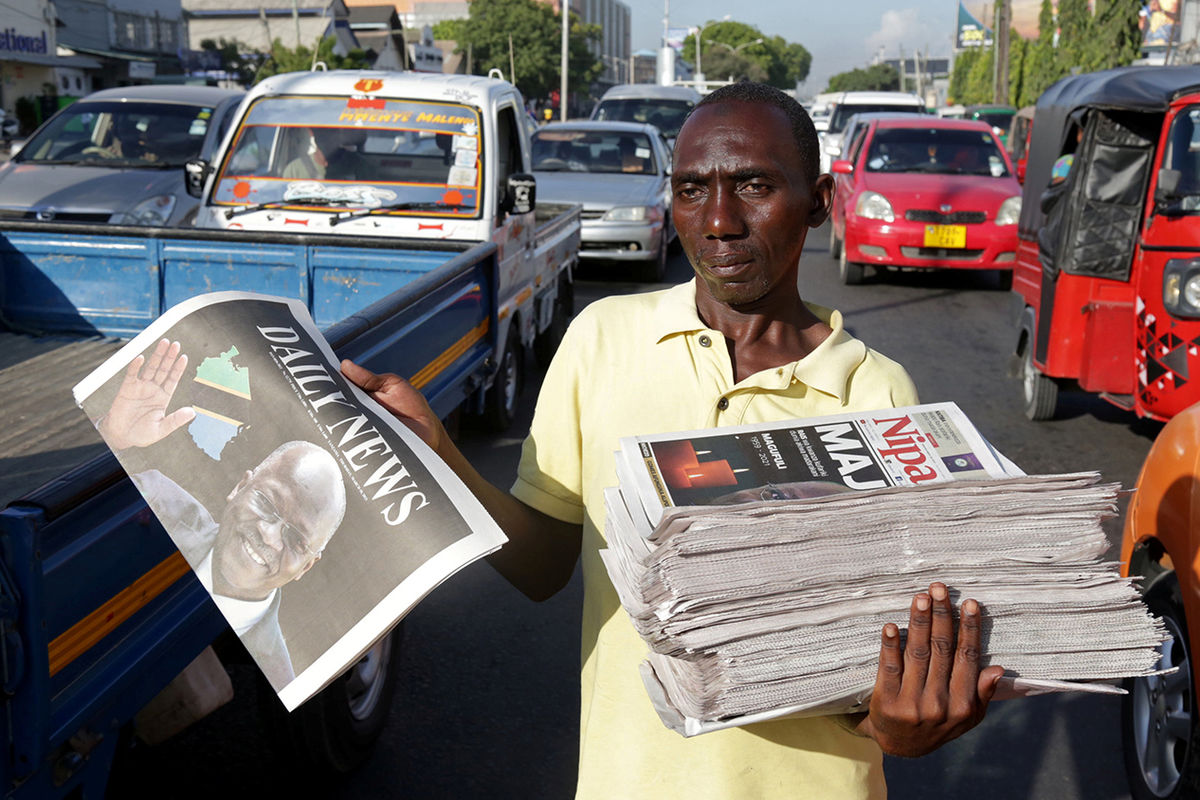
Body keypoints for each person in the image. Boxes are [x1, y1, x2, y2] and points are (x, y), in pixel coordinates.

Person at [342, 82, 1002, 799]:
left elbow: (897, 665)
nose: (718, 220)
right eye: (692, 190)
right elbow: (542, 567)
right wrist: (440, 453)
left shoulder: (880, 395)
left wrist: (899, 728)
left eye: (753, 185)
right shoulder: (602, 339)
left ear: (818, 200)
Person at [98, 338, 347, 689]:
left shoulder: (283, 678)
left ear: (306, 567)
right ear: (238, 488)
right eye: (267, 503)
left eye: (295, 538)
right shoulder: (158, 500)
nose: (270, 535)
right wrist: (113, 437)